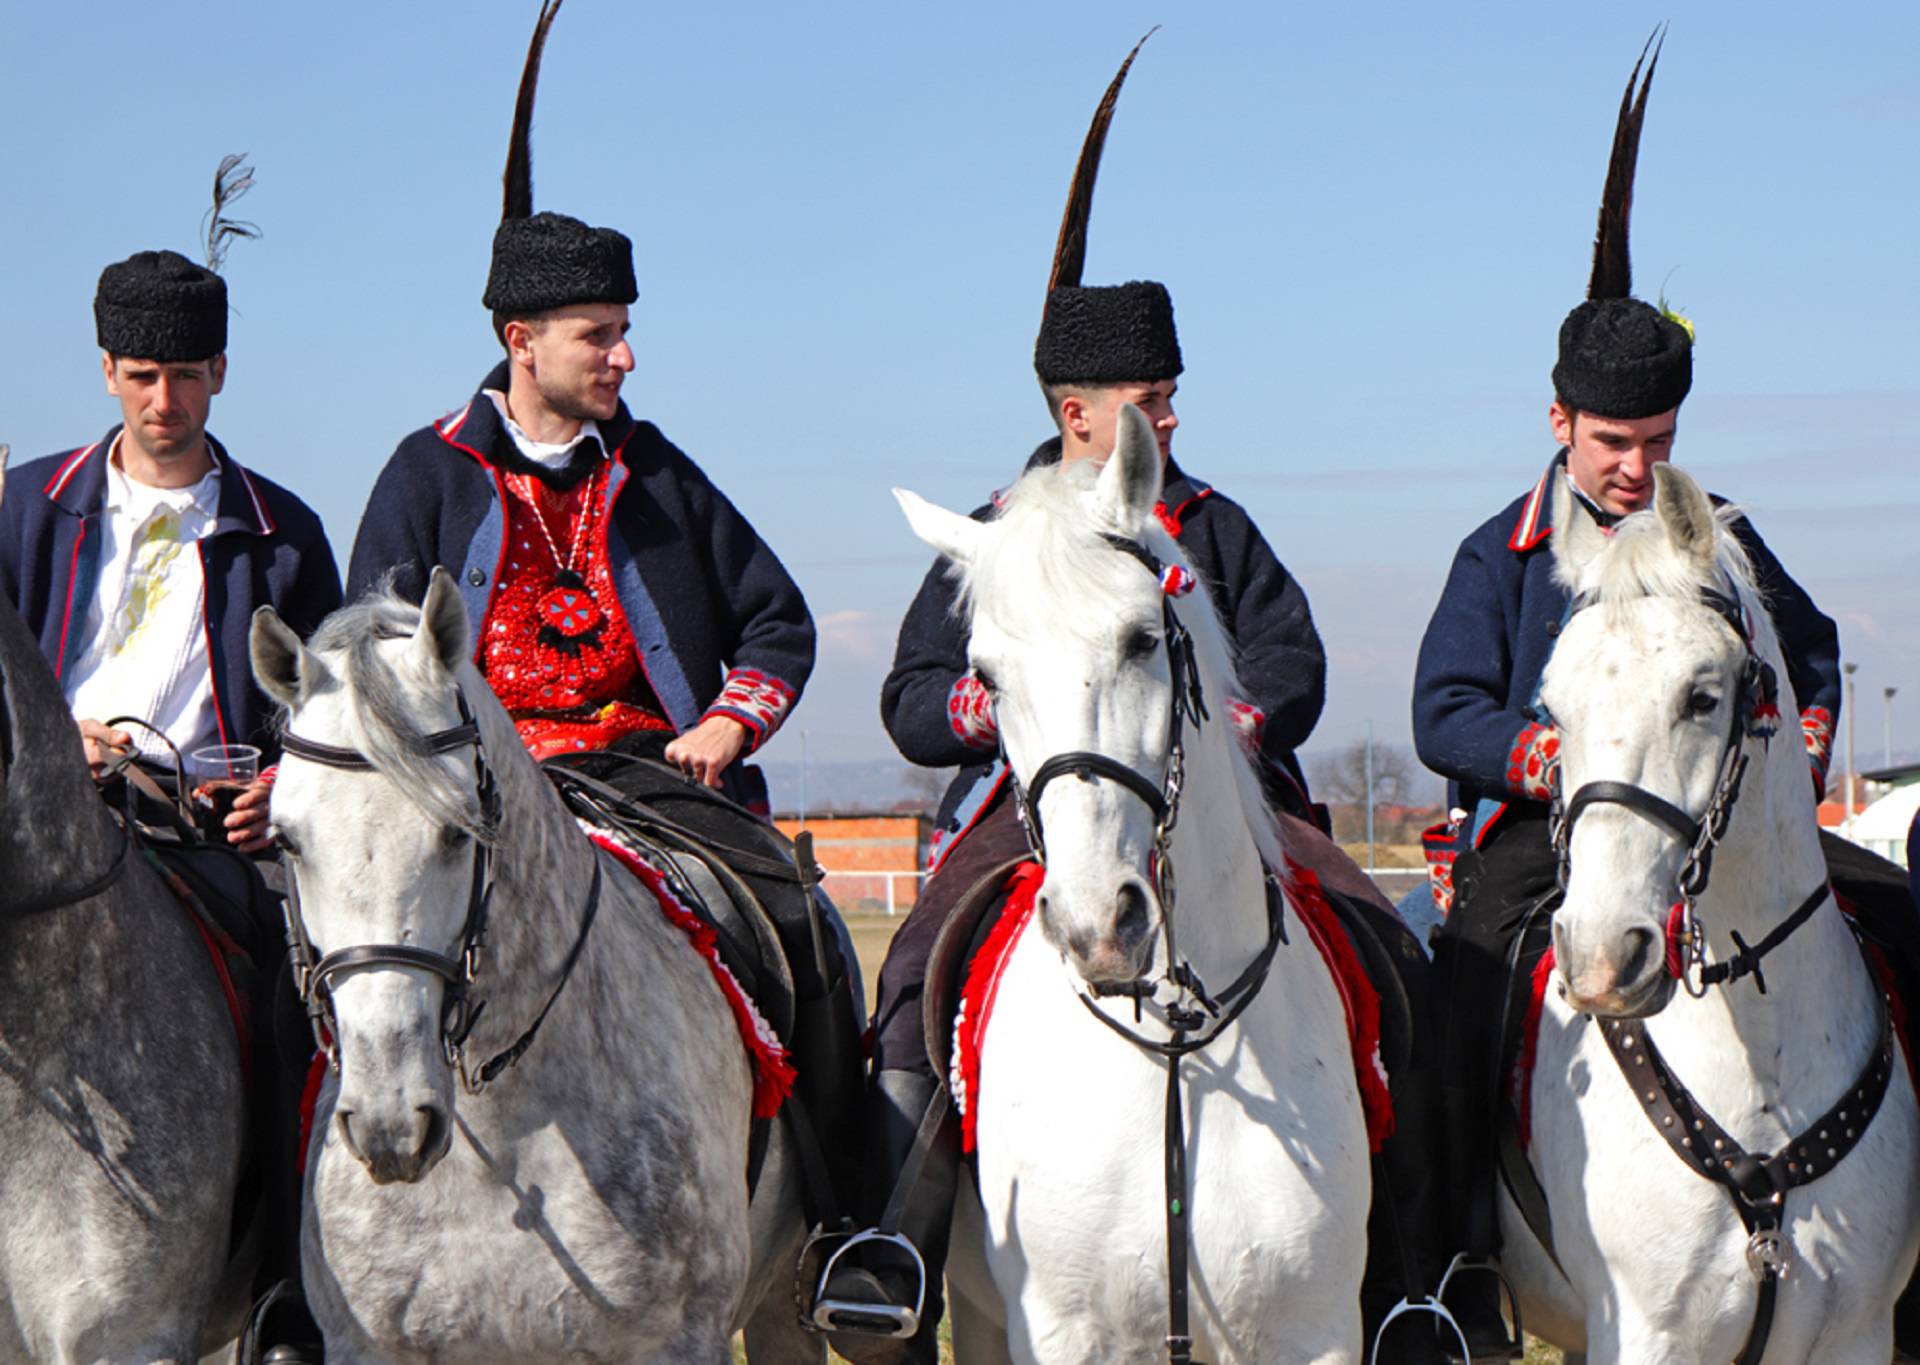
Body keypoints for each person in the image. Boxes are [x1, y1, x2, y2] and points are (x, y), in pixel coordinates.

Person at [816, 39, 1362, 1362]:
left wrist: (1234, 728)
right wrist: (1003, 712)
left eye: (1170, 399)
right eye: (1144, 402)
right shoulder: (998, 533)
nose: (1164, 422)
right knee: (913, 967)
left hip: (1225, 810)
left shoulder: (1212, 526)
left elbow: (1292, 659)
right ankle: (891, 1234)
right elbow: (909, 694)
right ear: (1077, 410)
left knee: (1385, 948)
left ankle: (1411, 1264)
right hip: (1041, 804)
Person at [344, 0, 862, 1224]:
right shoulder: (424, 475)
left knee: (809, 923)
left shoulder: (662, 473)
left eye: (625, 332)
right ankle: (291, 1269)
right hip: (470, 795)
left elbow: (779, 621)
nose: (624, 357)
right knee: (323, 961)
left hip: (650, 783)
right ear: (522, 341)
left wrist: (731, 726)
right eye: (601, 335)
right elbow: (368, 661)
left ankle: (847, 1227)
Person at [1411, 40, 1850, 1359]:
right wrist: (1545, 755)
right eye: (1614, 445)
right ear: (1560, 423)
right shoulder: (1500, 553)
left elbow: (1810, 656)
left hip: (1721, 832)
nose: (1636, 468)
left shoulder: (1727, 538)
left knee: (1892, 926)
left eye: (1658, 445)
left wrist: (1808, 735)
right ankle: (1440, 1279)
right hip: (1546, 837)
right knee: (1454, 1003)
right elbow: (1444, 711)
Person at [0, 169, 342, 1365]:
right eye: (142, 376)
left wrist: (280, 786)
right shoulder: (19, 510)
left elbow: (323, 703)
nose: (164, 400)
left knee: (310, 1015)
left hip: (210, 835)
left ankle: (290, 1297)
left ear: (221, 374)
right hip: (45, 821)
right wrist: (61, 739)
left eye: (186, 375)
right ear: (105, 372)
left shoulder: (284, 527)